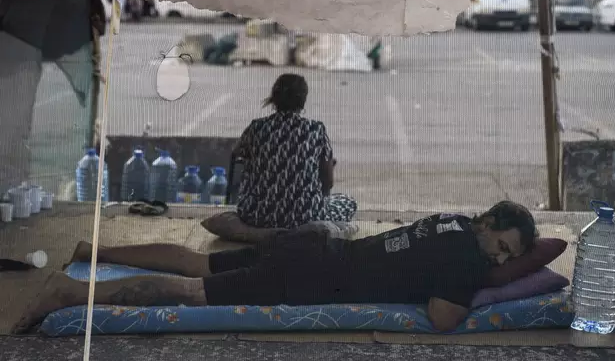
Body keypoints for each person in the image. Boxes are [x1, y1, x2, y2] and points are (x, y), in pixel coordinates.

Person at [12, 201, 537, 334]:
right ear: (488, 222)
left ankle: (93, 253)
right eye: (504, 245)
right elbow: (445, 319)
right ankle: (68, 294)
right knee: (191, 290)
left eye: (510, 257)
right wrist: (493, 282)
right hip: (310, 274)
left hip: (309, 246)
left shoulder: (448, 222)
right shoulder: (469, 258)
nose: (501, 258)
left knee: (199, 261)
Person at [233, 73, 357, 229]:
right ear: (303, 100)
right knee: (348, 201)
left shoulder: (257, 127)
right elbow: (328, 182)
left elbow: (236, 153)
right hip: (306, 216)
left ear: (274, 97)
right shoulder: (315, 129)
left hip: (257, 214)